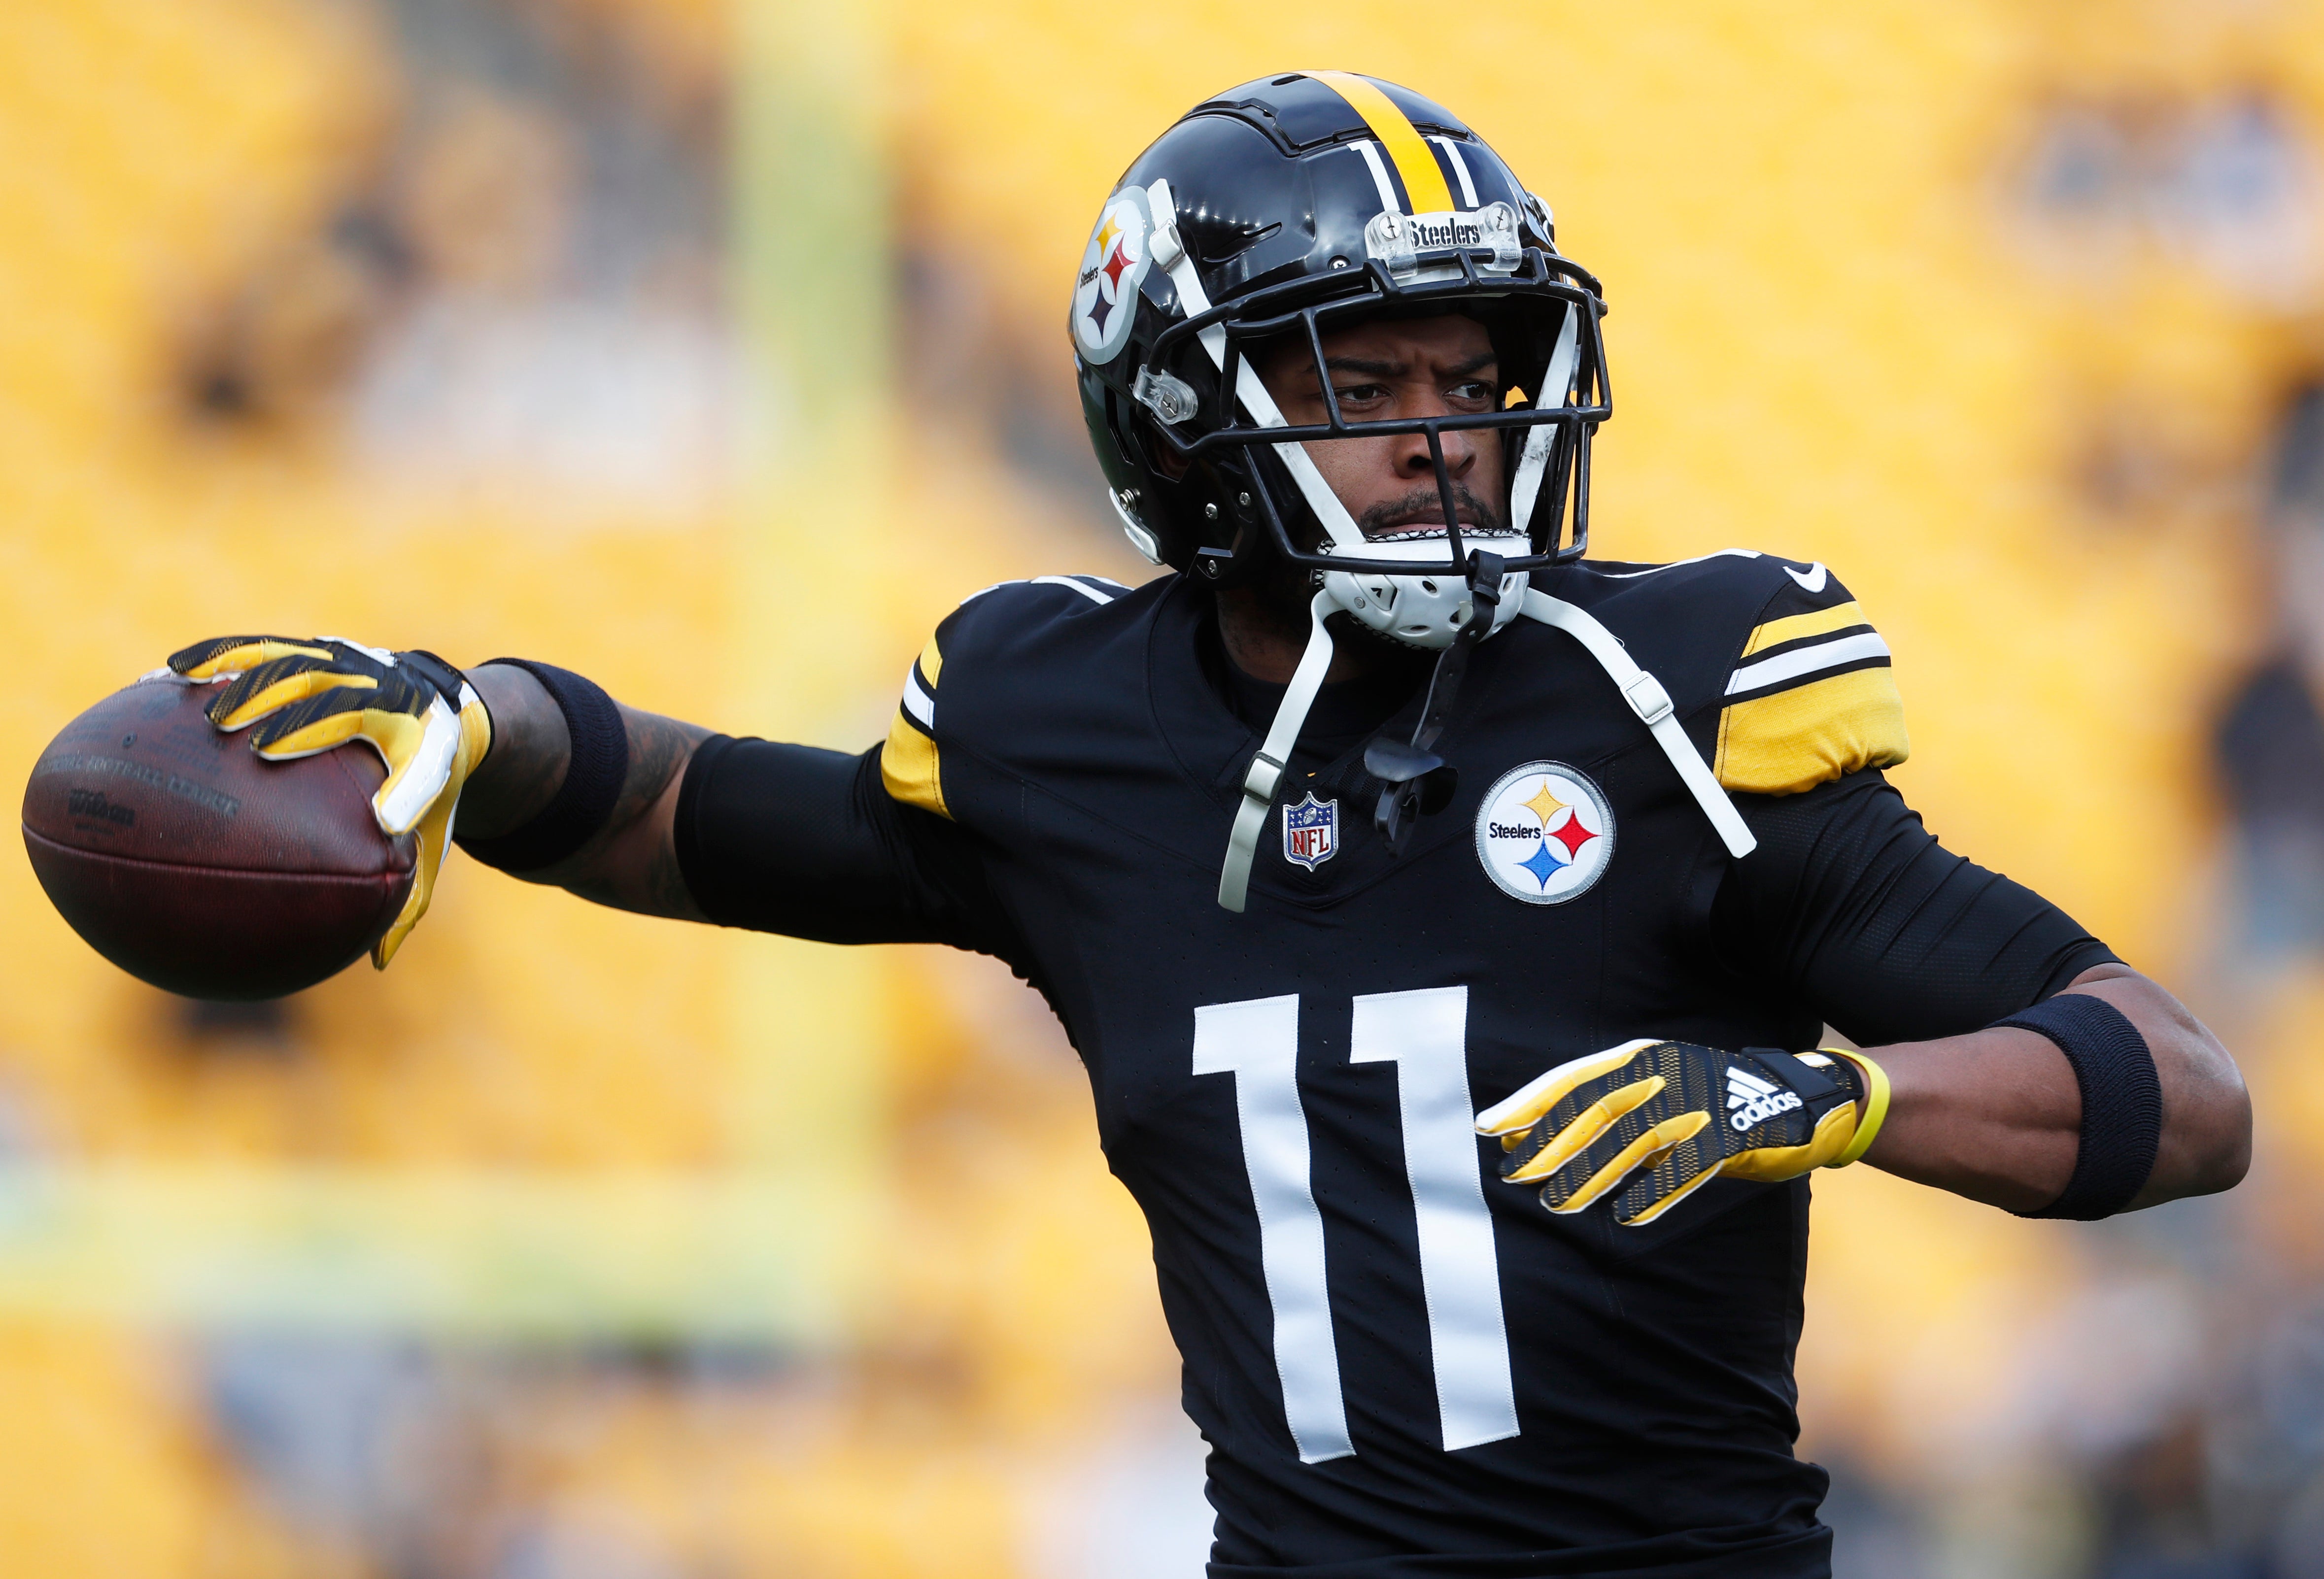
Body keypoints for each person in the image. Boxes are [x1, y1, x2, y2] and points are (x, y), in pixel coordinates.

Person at [163, 74, 2249, 1579]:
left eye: (1483, 364)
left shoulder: (1665, 697)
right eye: (1373, 375)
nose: (1453, 430)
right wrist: (475, 712)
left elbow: (2176, 1088)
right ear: (1184, 412)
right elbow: (705, 813)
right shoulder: (1065, 727)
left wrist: (1834, 1097)